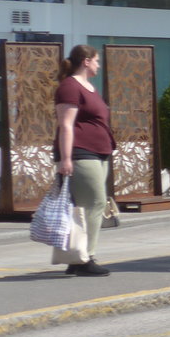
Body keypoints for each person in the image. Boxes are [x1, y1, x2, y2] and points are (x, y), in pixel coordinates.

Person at [54, 45, 116, 276]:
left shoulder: (89, 87)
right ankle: (85, 258)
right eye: (97, 60)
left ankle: (76, 258)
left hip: (100, 152)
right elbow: (66, 125)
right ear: (86, 61)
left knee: (89, 206)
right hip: (80, 152)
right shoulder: (69, 87)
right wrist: (66, 158)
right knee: (95, 203)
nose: (99, 65)